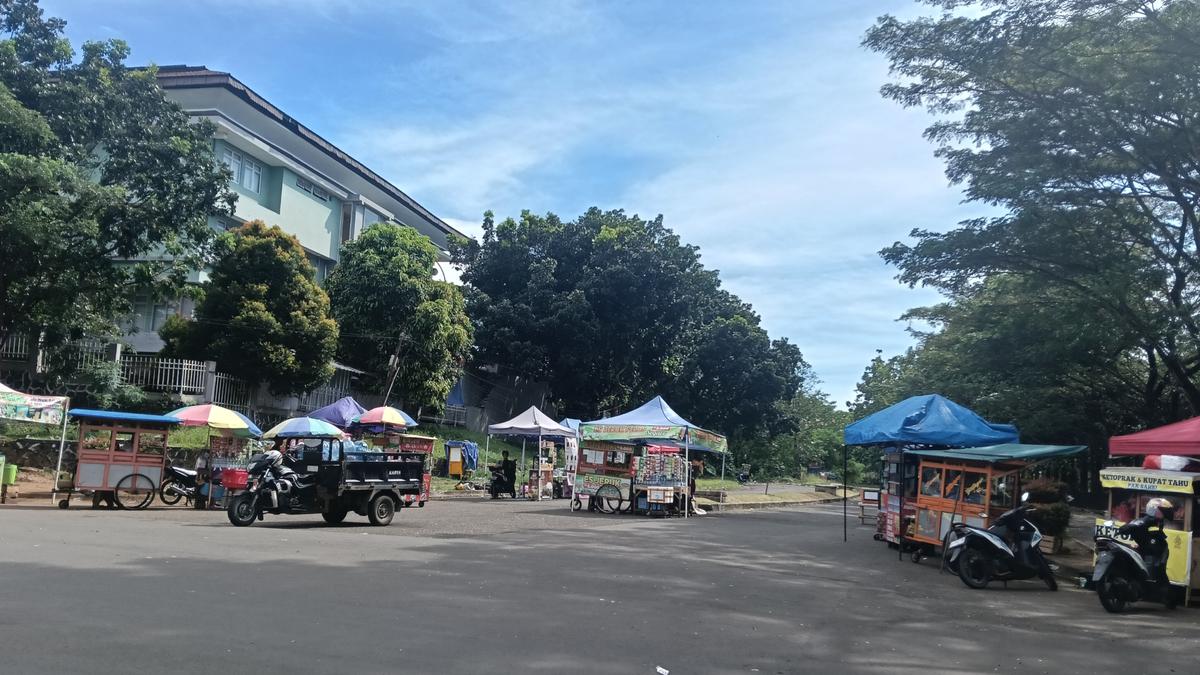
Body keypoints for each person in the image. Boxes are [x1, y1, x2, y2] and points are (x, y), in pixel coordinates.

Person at [1118, 497, 1175, 607]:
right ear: (1153, 509)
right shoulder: (1145, 520)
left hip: (1158, 550)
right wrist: (1126, 528)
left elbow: (1138, 525)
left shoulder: (1156, 522)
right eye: (1162, 510)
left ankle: (1168, 596)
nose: (1165, 513)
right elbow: (1133, 525)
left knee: (1158, 570)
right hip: (1145, 549)